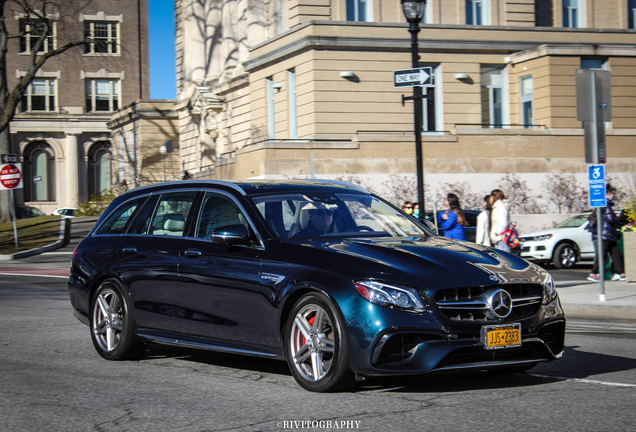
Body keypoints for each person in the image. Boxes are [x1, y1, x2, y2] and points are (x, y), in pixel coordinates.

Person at [587, 184, 625, 282]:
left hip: (609, 235)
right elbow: (610, 219)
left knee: (616, 254)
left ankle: (622, 274)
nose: (613, 196)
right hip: (606, 234)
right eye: (612, 194)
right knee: (602, 255)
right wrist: (619, 216)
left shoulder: (602, 204)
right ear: (608, 194)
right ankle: (593, 273)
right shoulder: (606, 204)